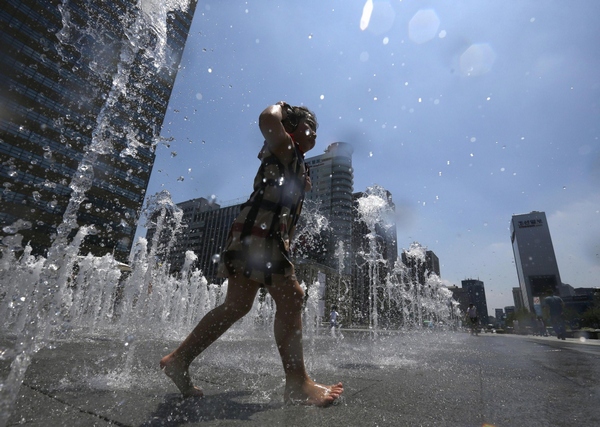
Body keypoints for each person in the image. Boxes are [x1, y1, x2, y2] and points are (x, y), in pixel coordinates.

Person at [159, 102, 343, 406]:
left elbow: (289, 214)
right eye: (309, 125)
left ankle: (179, 360)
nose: (314, 133)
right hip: (259, 234)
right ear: (293, 126)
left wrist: (287, 243)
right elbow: (266, 117)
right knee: (292, 297)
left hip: (260, 235)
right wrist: (283, 107)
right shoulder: (283, 145)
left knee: (237, 305)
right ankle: (297, 382)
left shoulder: (295, 161)